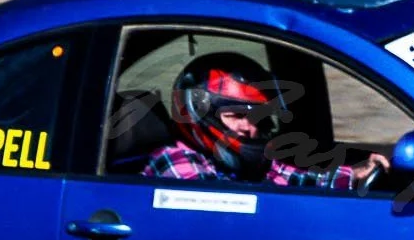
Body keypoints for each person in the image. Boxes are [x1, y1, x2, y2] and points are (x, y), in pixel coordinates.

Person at [143, 52, 388, 189]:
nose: (249, 128)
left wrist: (352, 176)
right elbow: (223, 209)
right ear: (197, 113)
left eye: (255, 117)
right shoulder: (175, 164)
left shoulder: (245, 164)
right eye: (236, 116)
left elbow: (293, 180)